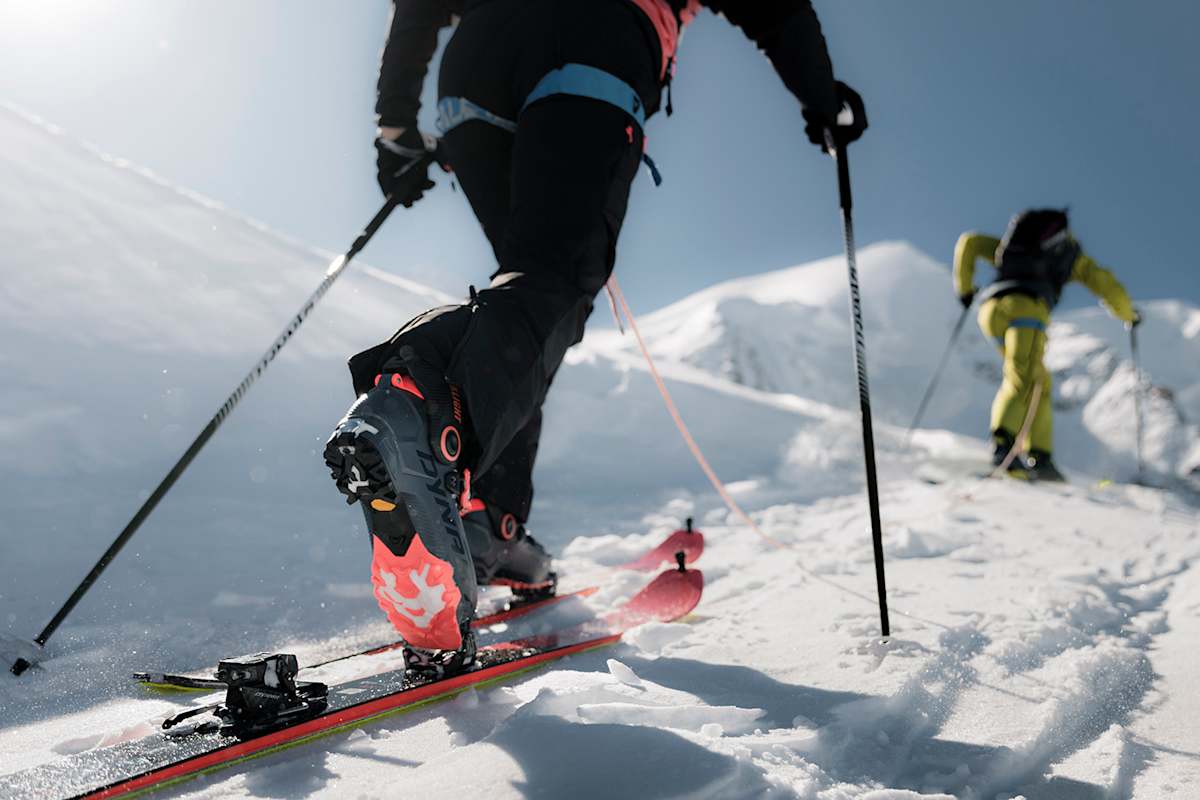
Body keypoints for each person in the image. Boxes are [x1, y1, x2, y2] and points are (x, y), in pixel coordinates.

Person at [323, 0, 867, 677]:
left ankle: (490, 521)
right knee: (551, 281)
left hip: (476, 69)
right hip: (592, 41)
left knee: (526, 294)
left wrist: (396, 126)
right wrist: (822, 97)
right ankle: (422, 409)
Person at [954, 209, 1138, 481]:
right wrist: (1129, 315)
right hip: (1026, 309)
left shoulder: (1015, 249)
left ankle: (1040, 455)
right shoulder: (1069, 255)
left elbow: (969, 242)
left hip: (991, 311)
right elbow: (1106, 284)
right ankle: (1005, 447)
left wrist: (965, 290)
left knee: (1039, 380)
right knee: (1025, 375)